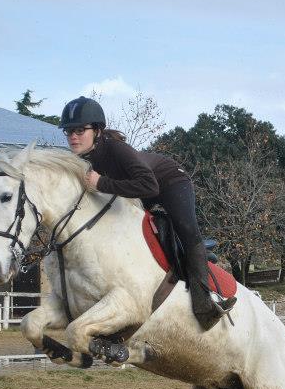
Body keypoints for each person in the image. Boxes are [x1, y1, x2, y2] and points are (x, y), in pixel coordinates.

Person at [59, 96, 236, 330]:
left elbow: (149, 186)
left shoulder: (116, 149)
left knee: (186, 229)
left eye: (80, 130)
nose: (73, 136)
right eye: (69, 131)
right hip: (140, 191)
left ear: (98, 131)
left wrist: (101, 183)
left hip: (170, 181)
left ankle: (205, 303)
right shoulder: (81, 159)